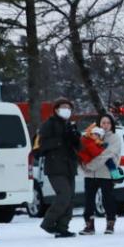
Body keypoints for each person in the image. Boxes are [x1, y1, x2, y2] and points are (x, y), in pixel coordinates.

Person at [37, 98, 80, 238]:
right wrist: (61, 140)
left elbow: (78, 147)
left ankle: (63, 227)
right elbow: (41, 145)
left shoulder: (70, 125)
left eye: (69, 107)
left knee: (70, 197)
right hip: (55, 166)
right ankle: (48, 222)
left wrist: (75, 137)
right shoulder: (48, 125)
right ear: (56, 109)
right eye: (63, 107)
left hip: (70, 166)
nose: (67, 109)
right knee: (64, 195)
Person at [78, 112, 122, 235]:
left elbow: (106, 155)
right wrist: (83, 167)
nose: (105, 125)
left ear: (112, 125)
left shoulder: (114, 138)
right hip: (90, 175)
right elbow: (81, 152)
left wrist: (91, 166)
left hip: (106, 174)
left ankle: (110, 223)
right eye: (103, 122)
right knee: (88, 200)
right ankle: (89, 225)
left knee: (108, 198)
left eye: (108, 123)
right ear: (99, 123)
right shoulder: (90, 136)